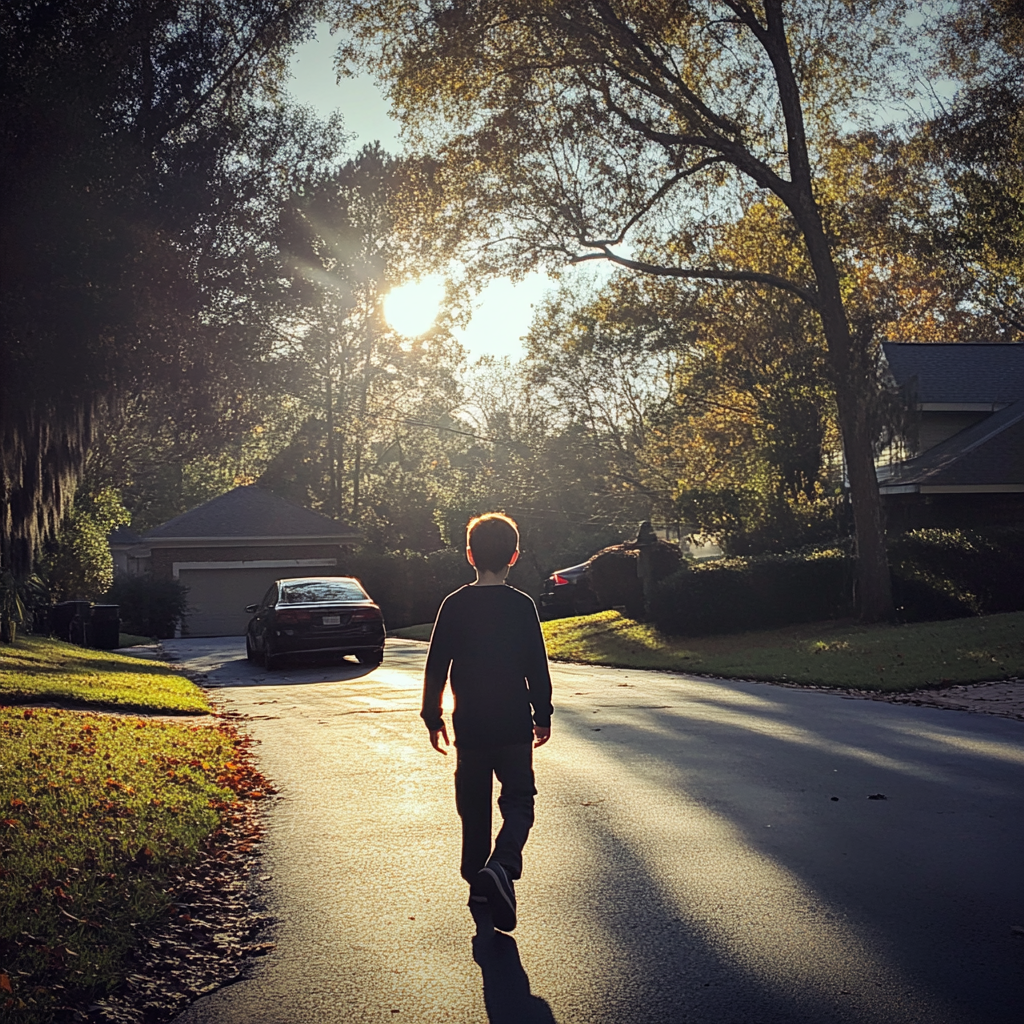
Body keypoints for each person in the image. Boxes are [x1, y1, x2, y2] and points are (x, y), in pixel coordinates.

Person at [421, 512, 553, 932]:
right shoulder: (522, 606)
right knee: (519, 800)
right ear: (514, 556)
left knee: (473, 805)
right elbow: (537, 664)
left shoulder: (455, 605)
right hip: (514, 723)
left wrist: (432, 715)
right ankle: (503, 864)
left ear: (469, 555)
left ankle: (478, 880)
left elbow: (436, 664)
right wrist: (542, 713)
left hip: (471, 726)